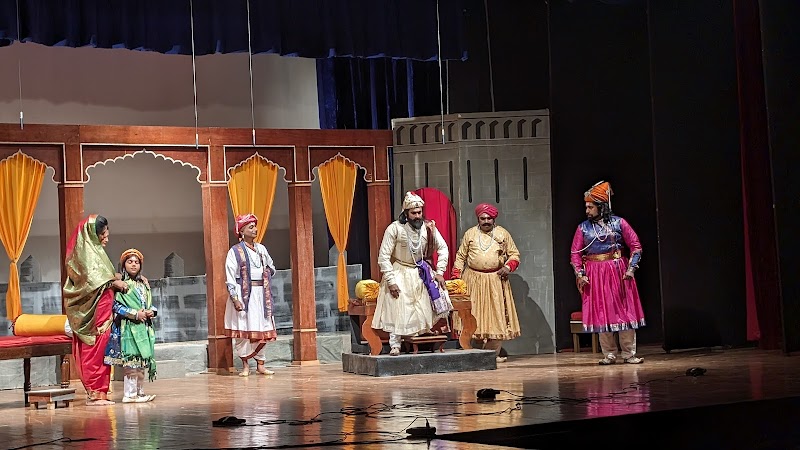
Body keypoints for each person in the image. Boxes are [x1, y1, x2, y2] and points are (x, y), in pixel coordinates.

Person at [570, 181, 645, 365]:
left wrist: (631, 268)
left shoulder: (619, 223)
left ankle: (628, 354)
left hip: (619, 272)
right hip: (596, 274)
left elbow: (636, 246)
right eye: (586, 207)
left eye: (590, 207)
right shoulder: (583, 228)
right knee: (602, 312)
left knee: (625, 312)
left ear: (601, 206)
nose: (587, 211)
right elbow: (575, 254)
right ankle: (609, 354)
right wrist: (580, 274)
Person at [372, 191, 452, 356]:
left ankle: (421, 338)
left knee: (424, 304)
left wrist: (440, 272)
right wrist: (391, 281)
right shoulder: (395, 228)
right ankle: (395, 345)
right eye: (413, 213)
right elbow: (383, 257)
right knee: (398, 306)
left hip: (420, 271)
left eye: (419, 212)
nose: (417, 216)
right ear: (406, 213)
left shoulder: (428, 228)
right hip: (399, 271)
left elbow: (443, 248)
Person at [63, 215, 130, 406]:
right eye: (102, 235)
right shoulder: (84, 255)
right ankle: (95, 393)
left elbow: (103, 276)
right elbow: (91, 281)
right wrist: (113, 282)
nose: (106, 238)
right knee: (95, 346)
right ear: (92, 235)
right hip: (92, 311)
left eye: (107, 234)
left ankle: (101, 391)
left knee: (104, 346)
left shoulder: (97, 252)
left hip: (104, 306)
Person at [452, 203, 522, 363]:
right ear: (478, 219)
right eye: (482, 218)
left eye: (489, 218)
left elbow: (514, 255)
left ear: (493, 219)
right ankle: (475, 354)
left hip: (495, 280)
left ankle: (491, 355)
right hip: (473, 280)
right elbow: (460, 257)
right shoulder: (470, 234)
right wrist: (456, 277)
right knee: (474, 316)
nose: (486, 221)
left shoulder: (502, 234)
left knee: (496, 317)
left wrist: (507, 267)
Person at [224, 214, 277, 376]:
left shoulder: (261, 249)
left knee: (263, 328)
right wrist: (235, 298)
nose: (255, 230)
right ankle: (245, 366)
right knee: (244, 329)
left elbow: (272, 267)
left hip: (261, 295)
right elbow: (230, 276)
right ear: (241, 231)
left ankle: (261, 365)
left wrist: (266, 272)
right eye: (251, 227)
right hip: (244, 295)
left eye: (255, 226)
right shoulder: (235, 251)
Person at [104, 248, 157, 403]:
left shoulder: (143, 285)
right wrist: (135, 314)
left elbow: (149, 304)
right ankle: (130, 394)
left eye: (136, 262)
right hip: (128, 327)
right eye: (130, 262)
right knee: (132, 362)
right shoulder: (122, 285)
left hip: (143, 327)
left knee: (141, 361)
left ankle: (140, 393)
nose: (133, 265)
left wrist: (151, 312)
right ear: (124, 265)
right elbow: (116, 306)